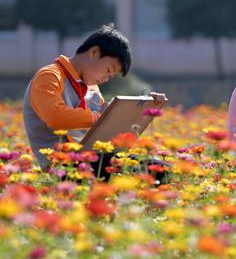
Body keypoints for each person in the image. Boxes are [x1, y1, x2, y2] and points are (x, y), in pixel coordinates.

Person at [23, 24, 166, 176]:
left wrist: (145, 107)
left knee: (161, 168)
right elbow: (55, 117)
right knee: (157, 173)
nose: (106, 79)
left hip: (92, 160)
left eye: (110, 77)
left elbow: (105, 127)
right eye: (108, 70)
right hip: (63, 167)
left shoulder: (91, 88)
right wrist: (100, 118)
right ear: (94, 52)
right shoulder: (49, 76)